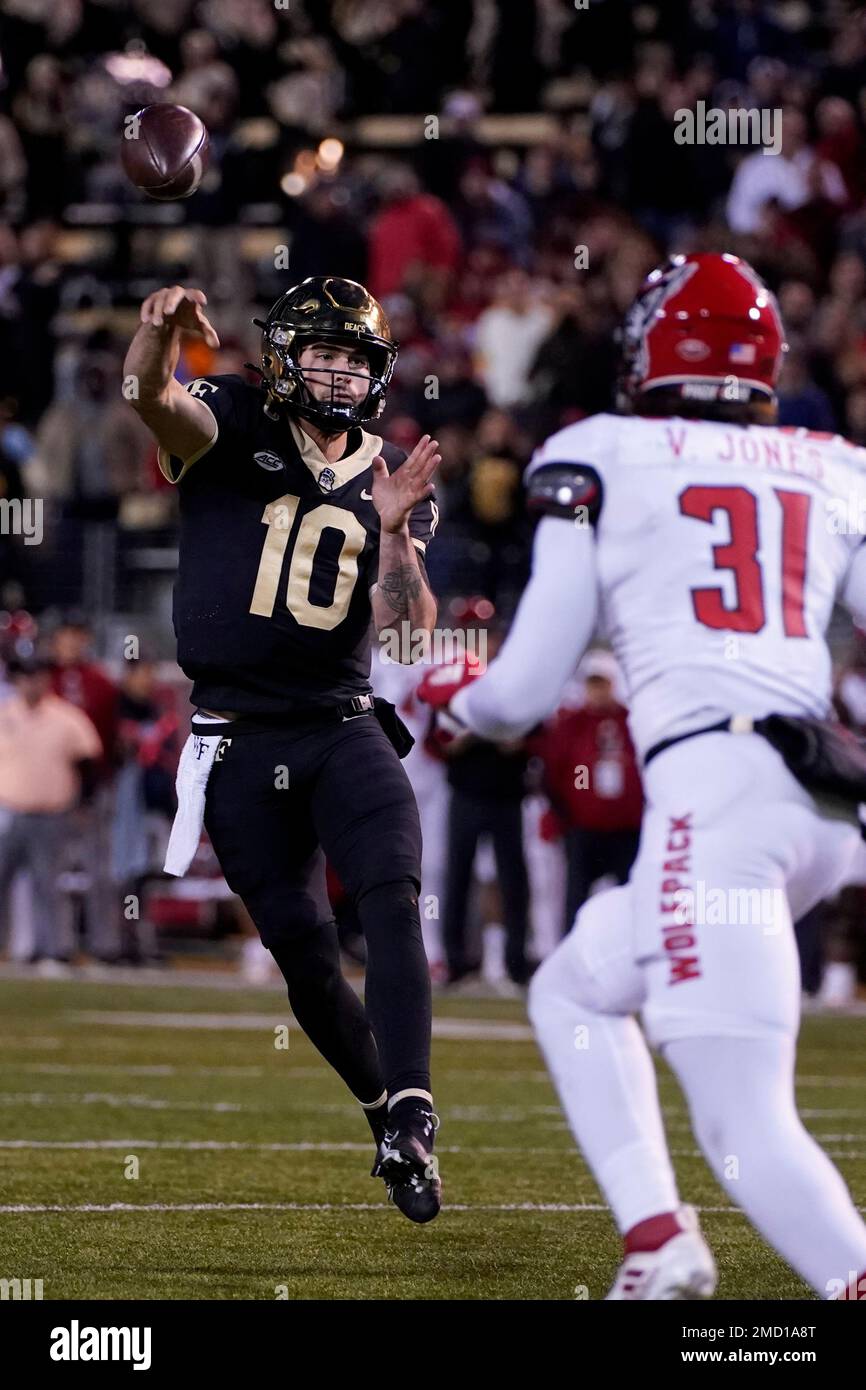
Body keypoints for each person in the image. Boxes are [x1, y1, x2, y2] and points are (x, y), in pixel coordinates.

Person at [425, 252, 866, 1298]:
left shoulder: (596, 452)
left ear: (647, 352)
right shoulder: (832, 462)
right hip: (819, 793)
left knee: (742, 1121)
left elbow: (524, 685)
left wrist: (455, 693)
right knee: (575, 982)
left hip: (714, 793)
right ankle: (657, 1240)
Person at [123, 275, 442, 1222]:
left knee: (392, 893)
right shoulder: (233, 415)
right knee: (303, 950)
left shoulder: (392, 471)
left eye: (357, 357)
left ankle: (416, 1107)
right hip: (234, 736)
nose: (341, 374)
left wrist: (393, 537)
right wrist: (158, 337)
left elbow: (411, 635)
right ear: (285, 359)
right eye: (326, 354)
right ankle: (380, 1107)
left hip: (341, 720)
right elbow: (153, 398)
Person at [0, 655, 101, 969]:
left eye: (39, 675)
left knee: (50, 883)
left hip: (52, 813)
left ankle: (55, 951)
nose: (33, 682)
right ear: (17, 679)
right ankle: (8, 948)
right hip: (9, 811)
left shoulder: (66, 717)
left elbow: (88, 762)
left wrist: (83, 804)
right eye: (27, 675)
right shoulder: (5, 714)